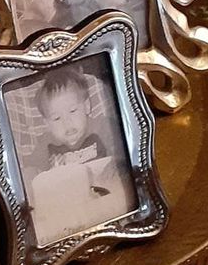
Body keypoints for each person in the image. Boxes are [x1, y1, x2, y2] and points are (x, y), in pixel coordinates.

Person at [25, 66, 137, 246]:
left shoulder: (102, 126)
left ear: (86, 106)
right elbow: (27, 171)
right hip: (71, 205)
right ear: (46, 123)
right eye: (56, 119)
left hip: (105, 196)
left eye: (72, 111)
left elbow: (126, 149)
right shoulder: (46, 143)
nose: (67, 123)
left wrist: (117, 164)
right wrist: (41, 178)